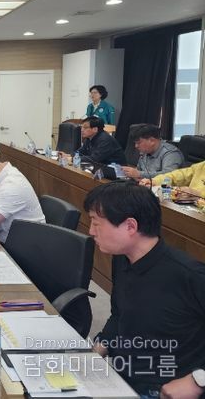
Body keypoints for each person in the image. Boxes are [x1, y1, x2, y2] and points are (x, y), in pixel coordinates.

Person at [84, 181, 205, 398]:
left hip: (165, 389)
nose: (91, 231)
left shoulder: (190, 275)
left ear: (130, 226)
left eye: (96, 223)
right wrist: (99, 347)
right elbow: (120, 314)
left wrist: (198, 381)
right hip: (122, 378)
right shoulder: (123, 258)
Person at [141, 160, 205, 199]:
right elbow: (173, 177)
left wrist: (199, 194)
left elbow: (197, 194)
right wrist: (155, 181)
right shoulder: (201, 166)